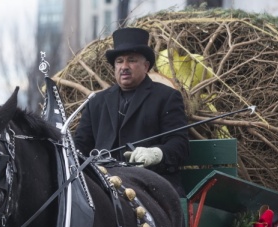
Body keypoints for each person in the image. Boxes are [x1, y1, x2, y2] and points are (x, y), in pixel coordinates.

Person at [73, 27, 190, 197]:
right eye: (119, 61)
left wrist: (156, 154)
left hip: (152, 187)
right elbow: (81, 146)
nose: (124, 67)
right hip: (103, 188)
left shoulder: (167, 97)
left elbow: (180, 145)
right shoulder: (96, 102)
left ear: (146, 66)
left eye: (132, 60)